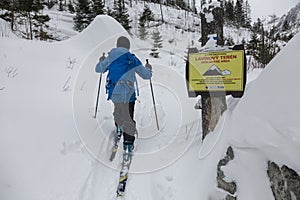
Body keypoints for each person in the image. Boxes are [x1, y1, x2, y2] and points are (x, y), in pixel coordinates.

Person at [95, 36, 152, 155]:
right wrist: (149, 69)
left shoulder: (111, 57)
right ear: (128, 46)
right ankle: (128, 143)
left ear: (117, 45)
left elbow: (99, 69)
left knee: (118, 108)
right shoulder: (131, 58)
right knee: (129, 116)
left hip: (114, 91)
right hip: (128, 93)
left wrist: (101, 61)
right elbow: (146, 75)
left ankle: (119, 125)